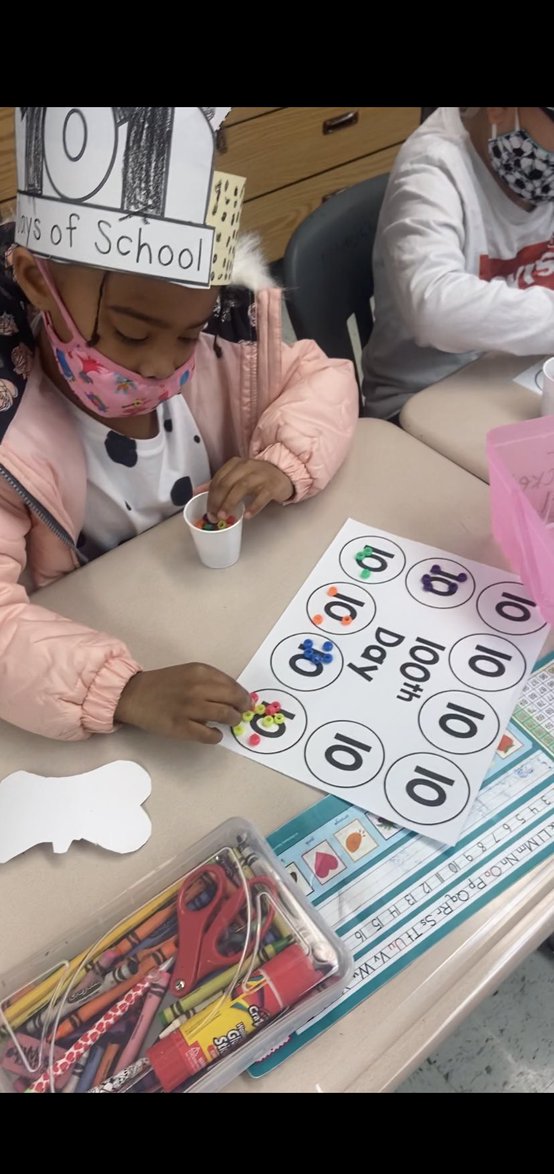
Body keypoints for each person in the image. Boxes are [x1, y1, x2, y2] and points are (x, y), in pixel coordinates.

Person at [0, 106, 358, 744]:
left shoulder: (226, 348)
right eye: (133, 332)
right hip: (110, 642)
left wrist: (285, 461)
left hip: (234, 613)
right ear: (35, 280)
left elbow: (324, 378)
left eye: (188, 333)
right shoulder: (10, 438)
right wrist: (122, 690)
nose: (165, 365)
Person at [362, 107, 554, 419]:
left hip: (514, 374)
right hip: (424, 399)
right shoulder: (431, 167)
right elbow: (434, 308)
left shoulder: (540, 157)